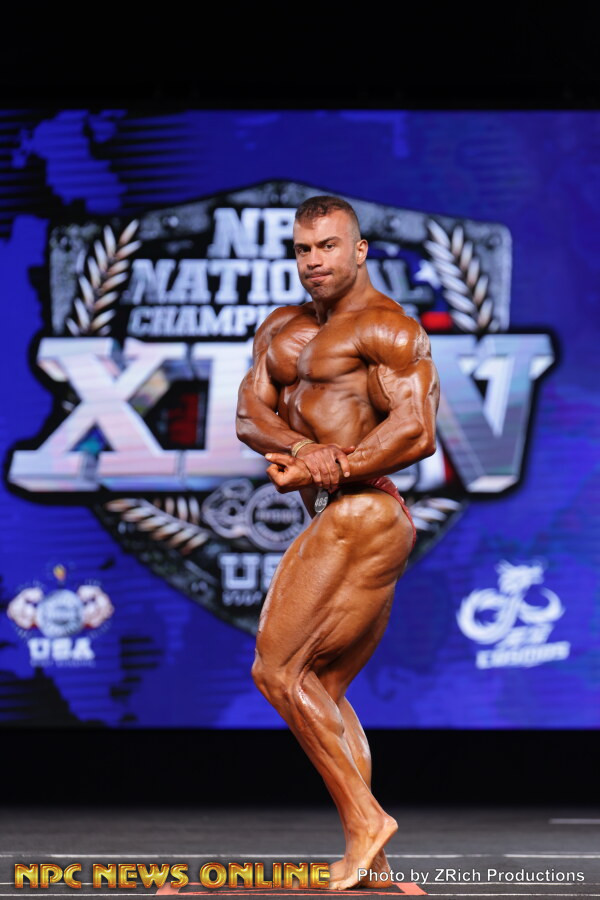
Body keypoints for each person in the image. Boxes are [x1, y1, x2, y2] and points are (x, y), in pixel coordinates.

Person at [235, 195, 439, 890]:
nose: (314, 261)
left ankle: (366, 822)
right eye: (303, 249)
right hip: (337, 513)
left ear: (359, 250)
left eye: (328, 246)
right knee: (319, 686)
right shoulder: (281, 328)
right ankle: (374, 867)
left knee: (276, 671)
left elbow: (416, 430)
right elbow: (249, 415)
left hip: (366, 511)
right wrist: (303, 449)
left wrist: (336, 464)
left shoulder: (388, 328)